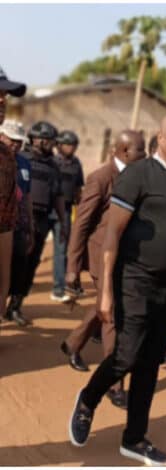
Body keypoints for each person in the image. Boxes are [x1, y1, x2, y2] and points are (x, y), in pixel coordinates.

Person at [68, 114, 166, 466]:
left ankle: (134, 439)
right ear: (161, 138)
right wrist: (105, 292)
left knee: (150, 363)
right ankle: (88, 399)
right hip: (134, 280)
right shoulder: (139, 174)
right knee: (126, 356)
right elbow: (112, 233)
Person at [60, 130, 147, 410]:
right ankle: (114, 383)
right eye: (140, 151)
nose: (145, 155)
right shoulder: (101, 178)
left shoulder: (139, 177)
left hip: (125, 256)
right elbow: (82, 224)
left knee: (105, 305)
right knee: (113, 317)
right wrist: (72, 268)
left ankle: (74, 343)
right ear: (124, 151)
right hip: (101, 256)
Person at [6, 121, 68, 326]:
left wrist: (63, 222)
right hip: (16, 218)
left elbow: (58, 195)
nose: (51, 144)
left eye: (52, 140)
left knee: (30, 265)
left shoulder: (53, 166)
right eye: (47, 140)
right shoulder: (21, 159)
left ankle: (15, 306)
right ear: (35, 139)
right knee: (9, 263)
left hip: (40, 221)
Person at [0, 68, 26, 325]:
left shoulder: (7, 157)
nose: (2, 101)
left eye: (5, 95)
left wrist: (3, 287)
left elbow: (6, 221)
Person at [50, 130, 84, 302]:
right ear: (59, 145)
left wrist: (80, 209)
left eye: (74, 145)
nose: (71, 148)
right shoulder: (51, 162)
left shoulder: (76, 164)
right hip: (47, 209)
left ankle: (58, 289)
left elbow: (78, 188)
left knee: (61, 250)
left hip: (66, 211)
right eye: (68, 144)